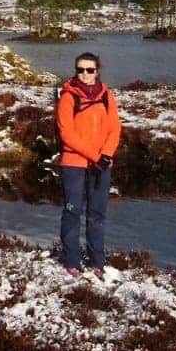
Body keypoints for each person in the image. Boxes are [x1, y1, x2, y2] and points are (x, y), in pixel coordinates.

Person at [55, 51, 121, 276]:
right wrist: (96, 156)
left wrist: (106, 155)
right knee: (72, 212)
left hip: (102, 165)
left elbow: (115, 129)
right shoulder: (67, 97)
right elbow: (67, 134)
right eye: (80, 70)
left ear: (97, 71)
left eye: (89, 70)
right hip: (74, 164)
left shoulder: (107, 96)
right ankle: (72, 261)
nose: (84, 74)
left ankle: (97, 263)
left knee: (97, 215)